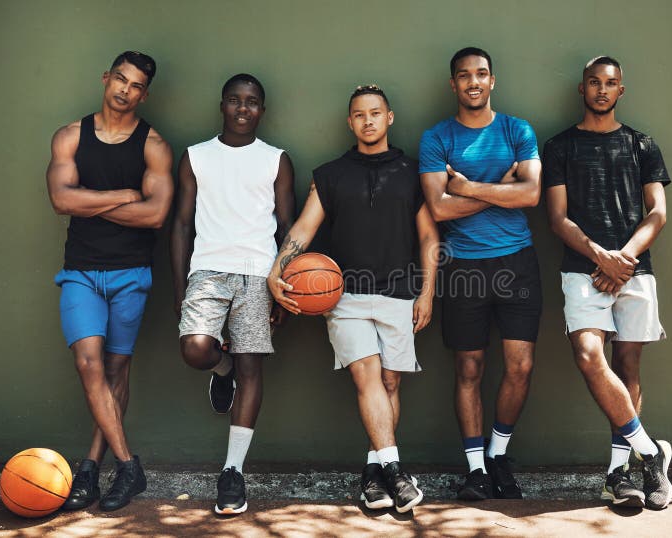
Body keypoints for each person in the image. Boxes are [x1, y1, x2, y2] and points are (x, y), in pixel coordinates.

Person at [268, 85, 438, 513]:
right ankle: (397, 471)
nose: (368, 121)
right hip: (344, 297)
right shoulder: (329, 175)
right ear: (350, 122)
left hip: (400, 293)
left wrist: (428, 293)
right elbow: (304, 229)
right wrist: (277, 269)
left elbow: (429, 237)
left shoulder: (412, 172)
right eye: (360, 115)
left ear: (389, 117)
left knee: (391, 382)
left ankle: (373, 474)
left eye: (375, 113)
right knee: (368, 376)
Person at [543, 56, 672, 510]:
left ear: (622, 90)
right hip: (583, 269)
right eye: (594, 83)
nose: (602, 90)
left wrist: (626, 258)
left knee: (629, 367)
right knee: (588, 356)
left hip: (635, 268)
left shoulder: (642, 144)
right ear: (582, 89)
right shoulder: (559, 146)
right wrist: (602, 257)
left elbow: (657, 212)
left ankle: (621, 475)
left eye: (611, 83)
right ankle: (652, 452)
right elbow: (557, 218)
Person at [46, 51, 173, 511]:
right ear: (106, 78)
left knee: (116, 371)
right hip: (80, 271)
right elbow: (61, 200)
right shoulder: (70, 137)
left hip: (131, 275)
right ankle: (129, 466)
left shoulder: (154, 145)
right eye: (120, 79)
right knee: (89, 364)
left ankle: (90, 468)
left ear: (144, 93)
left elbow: (156, 214)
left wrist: (89, 200)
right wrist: (122, 195)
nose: (125, 90)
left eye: (136, 85)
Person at [419, 47, 542, 500]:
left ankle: (498, 455)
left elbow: (531, 195)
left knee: (521, 366)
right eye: (464, 76)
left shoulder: (517, 129)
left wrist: (467, 187)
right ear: (453, 84)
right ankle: (475, 468)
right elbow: (437, 208)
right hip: (464, 267)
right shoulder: (437, 138)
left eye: (482, 74)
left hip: (517, 263)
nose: (474, 82)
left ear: (493, 81)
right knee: (468, 367)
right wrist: (503, 190)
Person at [170, 73, 295, 515]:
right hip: (207, 269)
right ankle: (221, 369)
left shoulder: (276, 160)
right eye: (235, 100)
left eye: (253, 102)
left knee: (253, 366)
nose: (244, 109)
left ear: (263, 109)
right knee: (196, 348)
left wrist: (282, 287)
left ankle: (232, 472)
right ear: (222, 105)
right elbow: (182, 224)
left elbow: (286, 230)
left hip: (259, 274)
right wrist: (182, 286)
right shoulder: (196, 157)